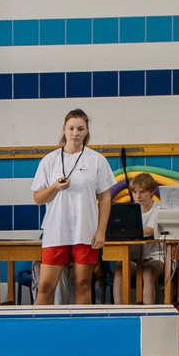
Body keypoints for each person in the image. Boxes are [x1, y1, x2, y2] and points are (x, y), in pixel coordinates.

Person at [28, 109, 114, 305]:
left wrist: (101, 231)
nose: (75, 133)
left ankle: (82, 331)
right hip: (56, 231)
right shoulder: (49, 161)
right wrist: (55, 187)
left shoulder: (96, 160)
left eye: (80, 129)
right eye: (71, 128)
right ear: (64, 129)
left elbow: (105, 198)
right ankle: (42, 329)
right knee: (46, 286)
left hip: (85, 231)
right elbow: (38, 198)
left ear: (86, 131)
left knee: (83, 284)